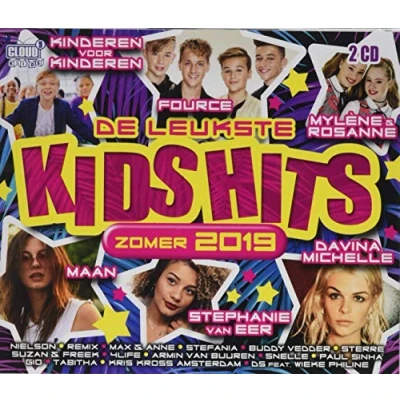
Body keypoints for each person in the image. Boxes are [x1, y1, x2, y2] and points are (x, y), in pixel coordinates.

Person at [0, 230, 101, 343]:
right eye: (25, 258)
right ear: (15, 268)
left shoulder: (82, 314)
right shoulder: (13, 322)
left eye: (43, 255)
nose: (35, 264)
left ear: (56, 261)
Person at [132, 259, 229, 343]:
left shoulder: (193, 338)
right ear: (156, 277)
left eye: (189, 291)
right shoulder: (127, 311)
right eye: (171, 281)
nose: (177, 296)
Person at [291, 265, 388, 346]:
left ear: (373, 304)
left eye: (358, 298)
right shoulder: (295, 357)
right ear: (320, 301)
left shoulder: (386, 360)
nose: (344, 309)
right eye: (335, 296)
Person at [5, 71, 98, 144]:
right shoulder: (26, 105)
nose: (48, 87)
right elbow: (8, 123)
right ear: (37, 88)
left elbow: (79, 127)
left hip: (56, 152)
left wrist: (99, 142)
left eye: (52, 84)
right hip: (31, 150)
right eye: (43, 84)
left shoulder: (63, 107)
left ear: (57, 88)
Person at [157, 38, 227, 128]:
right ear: (179, 64)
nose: (193, 70)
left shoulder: (218, 112)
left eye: (200, 64)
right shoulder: (158, 103)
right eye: (188, 63)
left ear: (207, 67)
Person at [218, 47, 261, 118]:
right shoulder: (213, 106)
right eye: (227, 71)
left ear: (249, 73)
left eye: (238, 70)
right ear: (222, 75)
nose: (232, 76)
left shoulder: (259, 109)